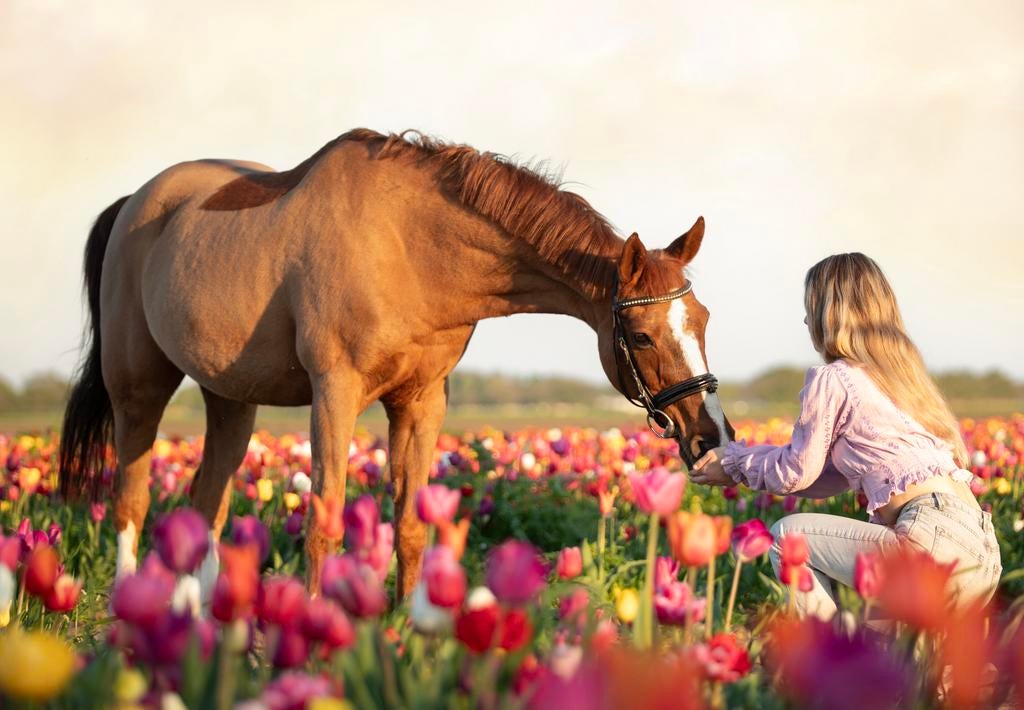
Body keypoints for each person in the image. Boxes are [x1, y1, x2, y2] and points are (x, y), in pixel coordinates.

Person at [690, 253, 1002, 620]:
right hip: (981, 554)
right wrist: (741, 472)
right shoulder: (901, 381)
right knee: (900, 653)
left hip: (929, 542)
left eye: (810, 307)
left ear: (829, 312)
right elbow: (827, 480)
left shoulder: (835, 378)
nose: (805, 320)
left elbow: (796, 470)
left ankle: (831, 663)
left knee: (787, 538)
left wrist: (734, 463)